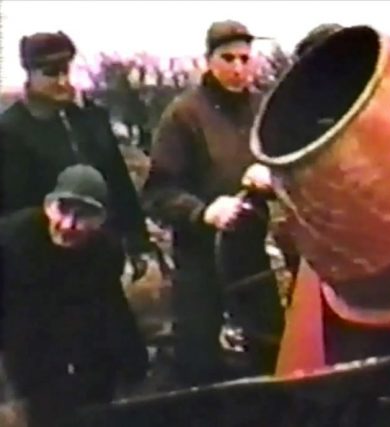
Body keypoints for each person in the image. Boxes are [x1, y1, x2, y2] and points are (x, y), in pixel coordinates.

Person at [144, 20, 284, 385]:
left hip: (252, 254)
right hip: (200, 259)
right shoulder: (184, 114)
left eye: (244, 58)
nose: (238, 68)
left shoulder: (262, 109)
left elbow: (287, 167)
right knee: (200, 359)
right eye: (228, 59)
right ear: (208, 61)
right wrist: (203, 211)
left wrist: (272, 179)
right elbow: (158, 193)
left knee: (270, 348)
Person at [0, 165, 148, 427]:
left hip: (74, 349)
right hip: (19, 344)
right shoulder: (12, 240)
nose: (68, 225)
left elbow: (112, 309)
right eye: (63, 210)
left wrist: (135, 367)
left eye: (83, 216)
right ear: (48, 207)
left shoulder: (105, 252)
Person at [0, 31, 153, 278]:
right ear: (30, 74)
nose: (62, 81)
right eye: (50, 73)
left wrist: (137, 242)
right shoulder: (11, 130)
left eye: (65, 71)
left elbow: (119, 182)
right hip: (43, 267)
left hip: (102, 257)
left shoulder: (91, 119)